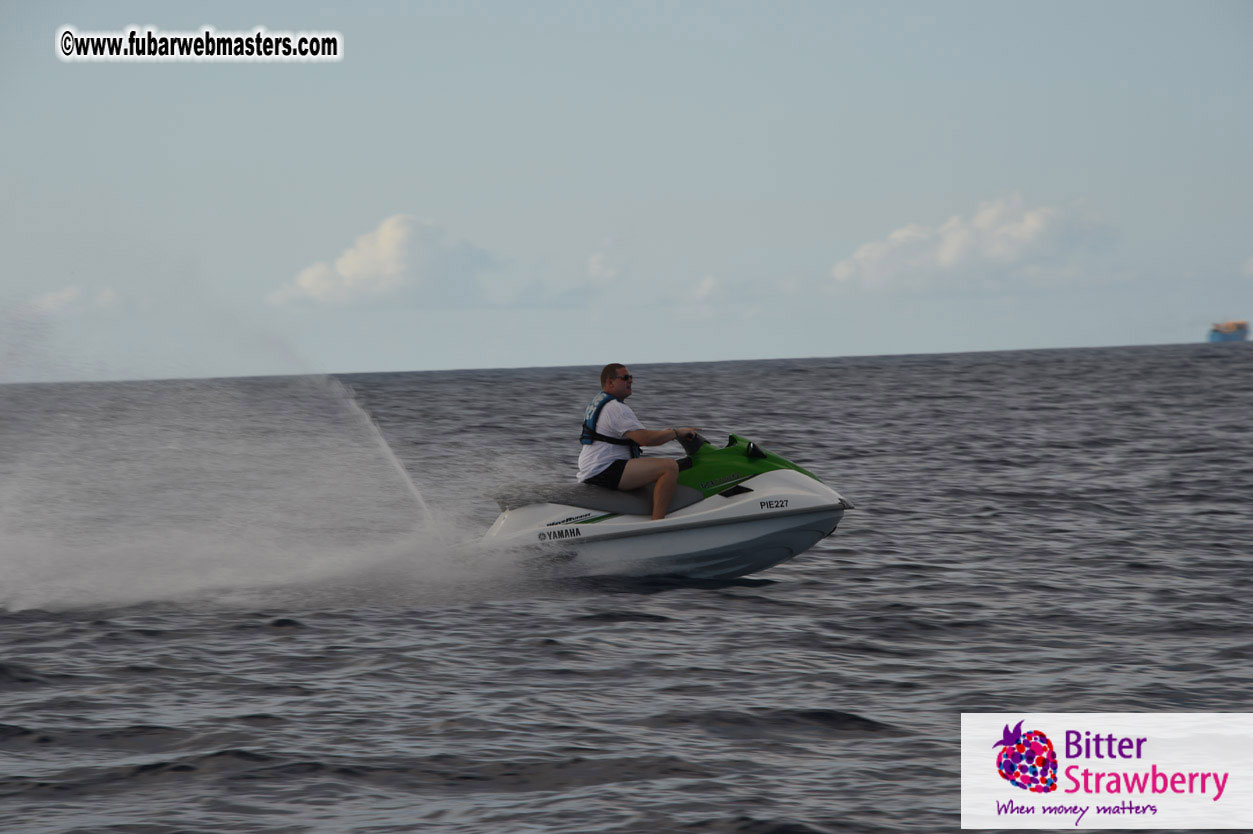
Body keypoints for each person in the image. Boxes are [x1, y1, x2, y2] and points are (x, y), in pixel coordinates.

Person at [577, 363, 698, 520]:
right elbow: (645, 439)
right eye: (625, 378)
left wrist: (668, 433)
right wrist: (675, 433)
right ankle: (658, 523)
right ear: (610, 382)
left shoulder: (602, 403)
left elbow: (638, 437)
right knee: (669, 467)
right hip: (604, 469)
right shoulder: (615, 408)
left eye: (631, 377)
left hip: (595, 467)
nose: (630, 381)